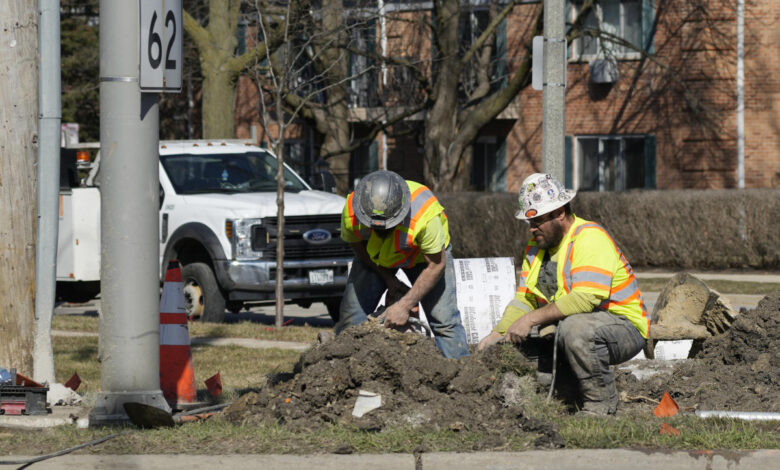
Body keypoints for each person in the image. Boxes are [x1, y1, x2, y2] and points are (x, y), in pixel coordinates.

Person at [478, 173, 649, 415]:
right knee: (512, 350)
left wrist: (529, 320)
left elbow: (585, 298)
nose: (532, 228)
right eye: (530, 223)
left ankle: (601, 406)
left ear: (559, 213)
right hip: (570, 329)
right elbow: (525, 297)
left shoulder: (589, 237)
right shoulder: (536, 248)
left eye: (538, 221)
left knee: (575, 329)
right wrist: (499, 333)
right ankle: (567, 392)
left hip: (623, 328)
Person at [335, 170, 470, 359]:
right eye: (374, 226)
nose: (381, 230)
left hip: (425, 259)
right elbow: (357, 245)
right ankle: (343, 370)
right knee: (352, 316)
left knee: (444, 321)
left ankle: (461, 378)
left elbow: (436, 266)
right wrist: (388, 278)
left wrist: (404, 305)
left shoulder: (425, 215)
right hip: (377, 257)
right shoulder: (352, 211)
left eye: (388, 226)